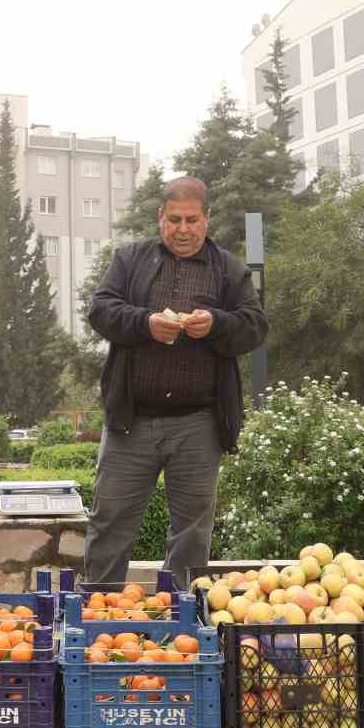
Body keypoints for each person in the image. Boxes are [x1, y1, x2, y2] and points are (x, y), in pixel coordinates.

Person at [83, 176, 270, 587]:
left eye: (191, 220)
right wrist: (146, 323)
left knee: (192, 533)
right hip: (131, 421)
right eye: (174, 220)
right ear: (159, 218)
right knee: (109, 522)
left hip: (198, 424)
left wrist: (217, 324)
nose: (182, 230)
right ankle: (97, 614)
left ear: (207, 220)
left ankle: (181, 622)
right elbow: (100, 310)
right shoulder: (130, 260)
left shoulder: (229, 269)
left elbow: (255, 327)